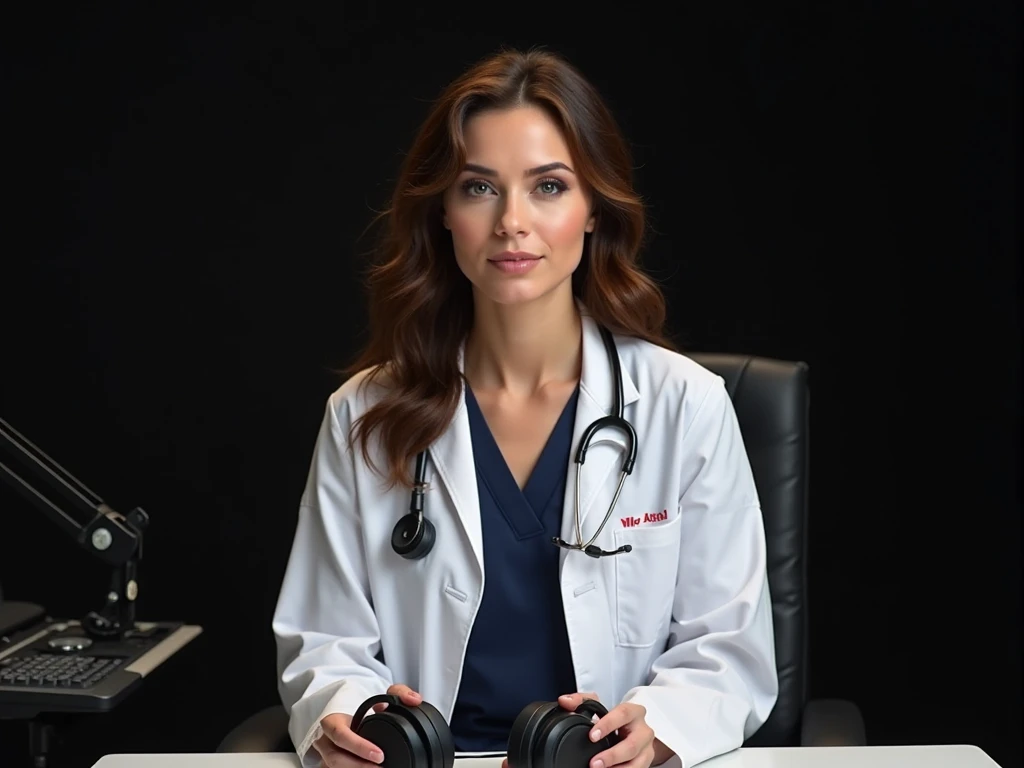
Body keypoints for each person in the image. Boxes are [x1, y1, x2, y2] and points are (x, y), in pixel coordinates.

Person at [273, 47, 778, 768]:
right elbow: (324, 644)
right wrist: (345, 720)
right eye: (479, 188)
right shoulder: (363, 415)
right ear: (443, 213)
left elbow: (727, 652)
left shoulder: (683, 406)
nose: (512, 221)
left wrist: (657, 727)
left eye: (548, 186)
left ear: (594, 208)